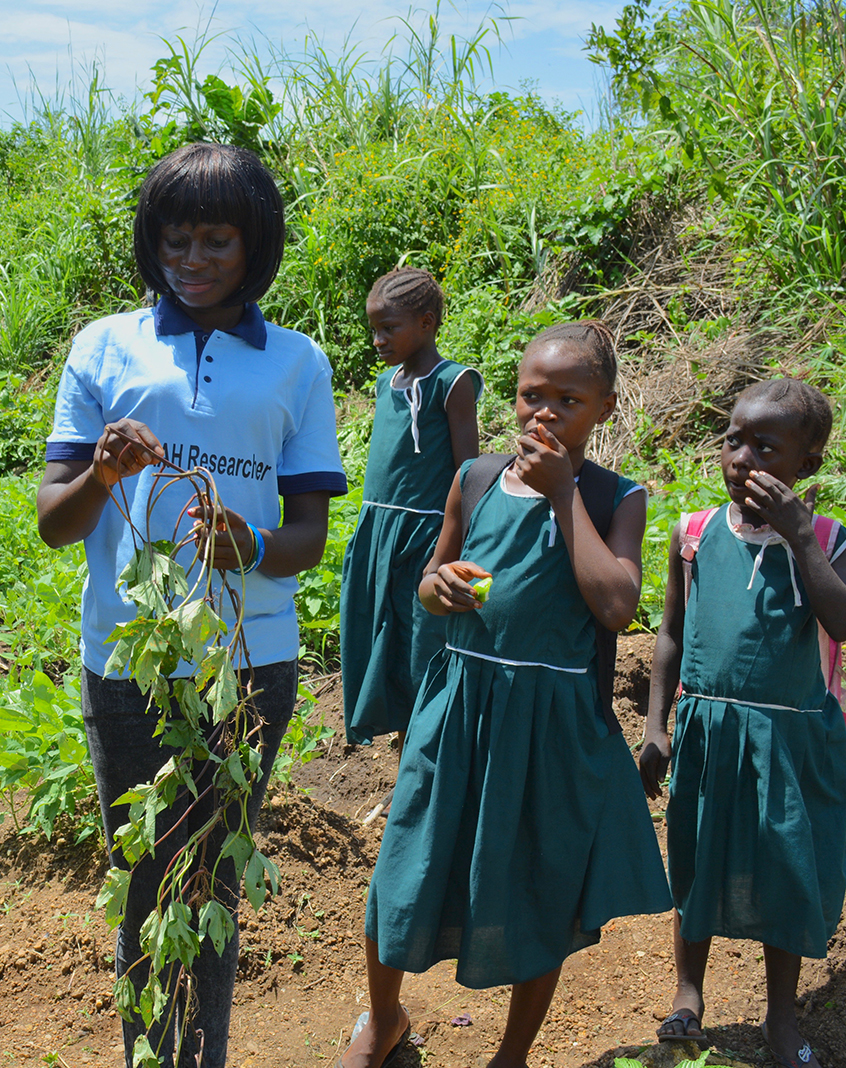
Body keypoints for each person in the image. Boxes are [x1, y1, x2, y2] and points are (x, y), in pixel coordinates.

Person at [36, 142, 348, 1068]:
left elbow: (306, 542)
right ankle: (154, 1056)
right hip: (127, 661)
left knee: (210, 875)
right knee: (144, 880)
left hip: (248, 663)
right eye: (176, 239)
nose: (194, 258)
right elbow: (58, 524)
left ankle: (196, 1058)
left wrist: (243, 544)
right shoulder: (104, 346)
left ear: (256, 244)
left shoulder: (297, 364)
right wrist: (102, 473)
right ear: (152, 244)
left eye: (217, 238)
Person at [338, 321, 671, 1068]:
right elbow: (431, 578)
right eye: (530, 395)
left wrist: (562, 498)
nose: (543, 413)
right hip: (457, 710)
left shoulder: (614, 498)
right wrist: (438, 587)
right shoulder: (476, 479)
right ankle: (384, 1019)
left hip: (547, 726)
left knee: (538, 883)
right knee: (403, 866)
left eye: (568, 399)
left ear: (606, 408)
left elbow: (616, 604)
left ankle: (511, 1055)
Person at [640, 379, 846, 1068]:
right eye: (733, 439)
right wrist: (656, 724)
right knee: (695, 862)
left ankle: (781, 1017)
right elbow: (669, 634)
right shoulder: (693, 534)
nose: (741, 457)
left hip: (789, 740)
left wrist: (799, 538)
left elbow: (841, 622)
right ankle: (688, 993)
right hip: (708, 731)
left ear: (806, 465)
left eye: (765, 446)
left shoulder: (825, 539)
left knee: (787, 871)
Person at [340, 267, 482, 815]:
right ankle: (407, 767)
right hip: (381, 533)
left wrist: (461, 544)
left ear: (426, 324)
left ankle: (428, 769)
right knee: (386, 640)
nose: (378, 341)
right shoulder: (386, 383)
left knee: (426, 647)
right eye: (373, 330)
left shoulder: (454, 382)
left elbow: (467, 472)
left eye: (388, 329)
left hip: (427, 534)